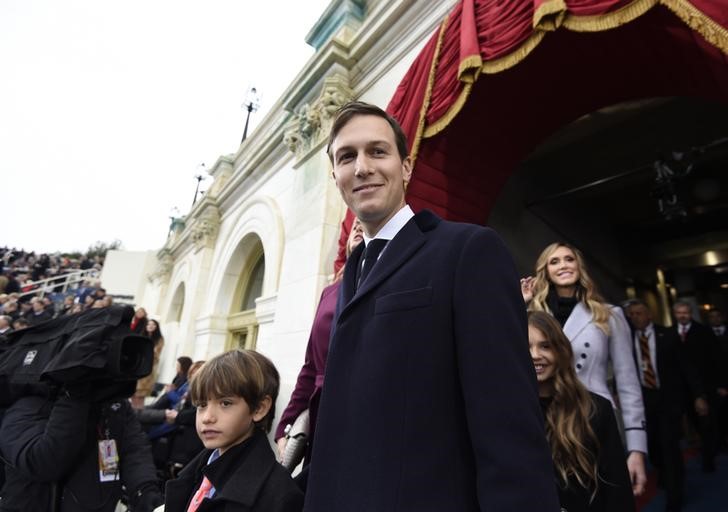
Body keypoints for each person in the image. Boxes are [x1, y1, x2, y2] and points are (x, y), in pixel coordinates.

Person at [304, 101, 559, 511]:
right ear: (335, 175)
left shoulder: (468, 250)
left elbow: (506, 418)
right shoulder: (352, 272)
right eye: (347, 157)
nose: (362, 167)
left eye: (378, 151)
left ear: (406, 167)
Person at [521, 243, 647, 495]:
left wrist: (637, 448)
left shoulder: (609, 314)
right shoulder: (532, 313)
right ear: (545, 270)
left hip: (593, 419)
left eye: (569, 259)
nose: (563, 265)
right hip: (544, 417)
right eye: (554, 261)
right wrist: (520, 305)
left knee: (598, 495)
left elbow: (627, 381)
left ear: (579, 266)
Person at [164, 350, 303, 512]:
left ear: (259, 408)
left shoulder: (279, 495)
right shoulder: (197, 471)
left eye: (225, 403)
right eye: (201, 405)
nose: (207, 417)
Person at [275, 218, 364, 468]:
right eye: (354, 223)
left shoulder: (392, 279)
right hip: (321, 413)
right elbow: (311, 366)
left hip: (364, 411)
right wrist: (287, 422)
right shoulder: (329, 292)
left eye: (364, 222)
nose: (357, 226)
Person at [528, 310, 634, 511]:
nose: (535, 355)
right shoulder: (511, 413)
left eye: (545, 346)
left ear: (560, 351)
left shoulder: (596, 409)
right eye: (526, 347)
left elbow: (617, 487)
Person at [0, 387, 163, 511]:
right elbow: (43, 462)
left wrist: (145, 491)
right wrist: (76, 393)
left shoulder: (116, 405)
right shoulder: (29, 401)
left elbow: (135, 450)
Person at [626, 300, 706, 511]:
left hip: (668, 400)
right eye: (632, 314)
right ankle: (664, 473)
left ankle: (674, 495)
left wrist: (698, 395)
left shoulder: (668, 336)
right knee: (653, 445)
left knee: (670, 446)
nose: (635, 317)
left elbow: (686, 367)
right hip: (644, 401)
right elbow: (622, 368)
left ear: (649, 315)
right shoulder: (626, 340)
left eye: (639, 313)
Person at [672, 300, 721, 472]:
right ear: (675, 314)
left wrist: (719, 385)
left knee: (706, 423)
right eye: (679, 313)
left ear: (690, 313)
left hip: (704, 386)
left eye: (685, 312)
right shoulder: (669, 333)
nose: (682, 316)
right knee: (690, 422)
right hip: (680, 389)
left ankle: (709, 457)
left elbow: (716, 359)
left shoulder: (704, 331)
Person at [132, 319, 165, 409]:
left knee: (141, 394)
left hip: (148, 368)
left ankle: (138, 414)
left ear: (156, 327)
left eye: (153, 324)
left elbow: (156, 354)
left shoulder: (159, 339)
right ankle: (132, 413)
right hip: (136, 367)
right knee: (133, 393)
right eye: (148, 324)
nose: (150, 326)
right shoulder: (141, 336)